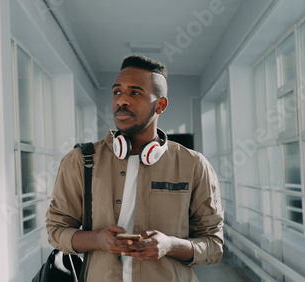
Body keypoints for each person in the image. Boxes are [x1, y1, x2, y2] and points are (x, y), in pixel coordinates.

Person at [46, 54, 224, 281]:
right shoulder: (79, 160)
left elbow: (214, 245)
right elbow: (56, 230)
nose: (122, 100)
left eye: (135, 92)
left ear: (160, 105)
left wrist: (169, 245)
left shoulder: (194, 165)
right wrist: (98, 239)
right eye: (117, 92)